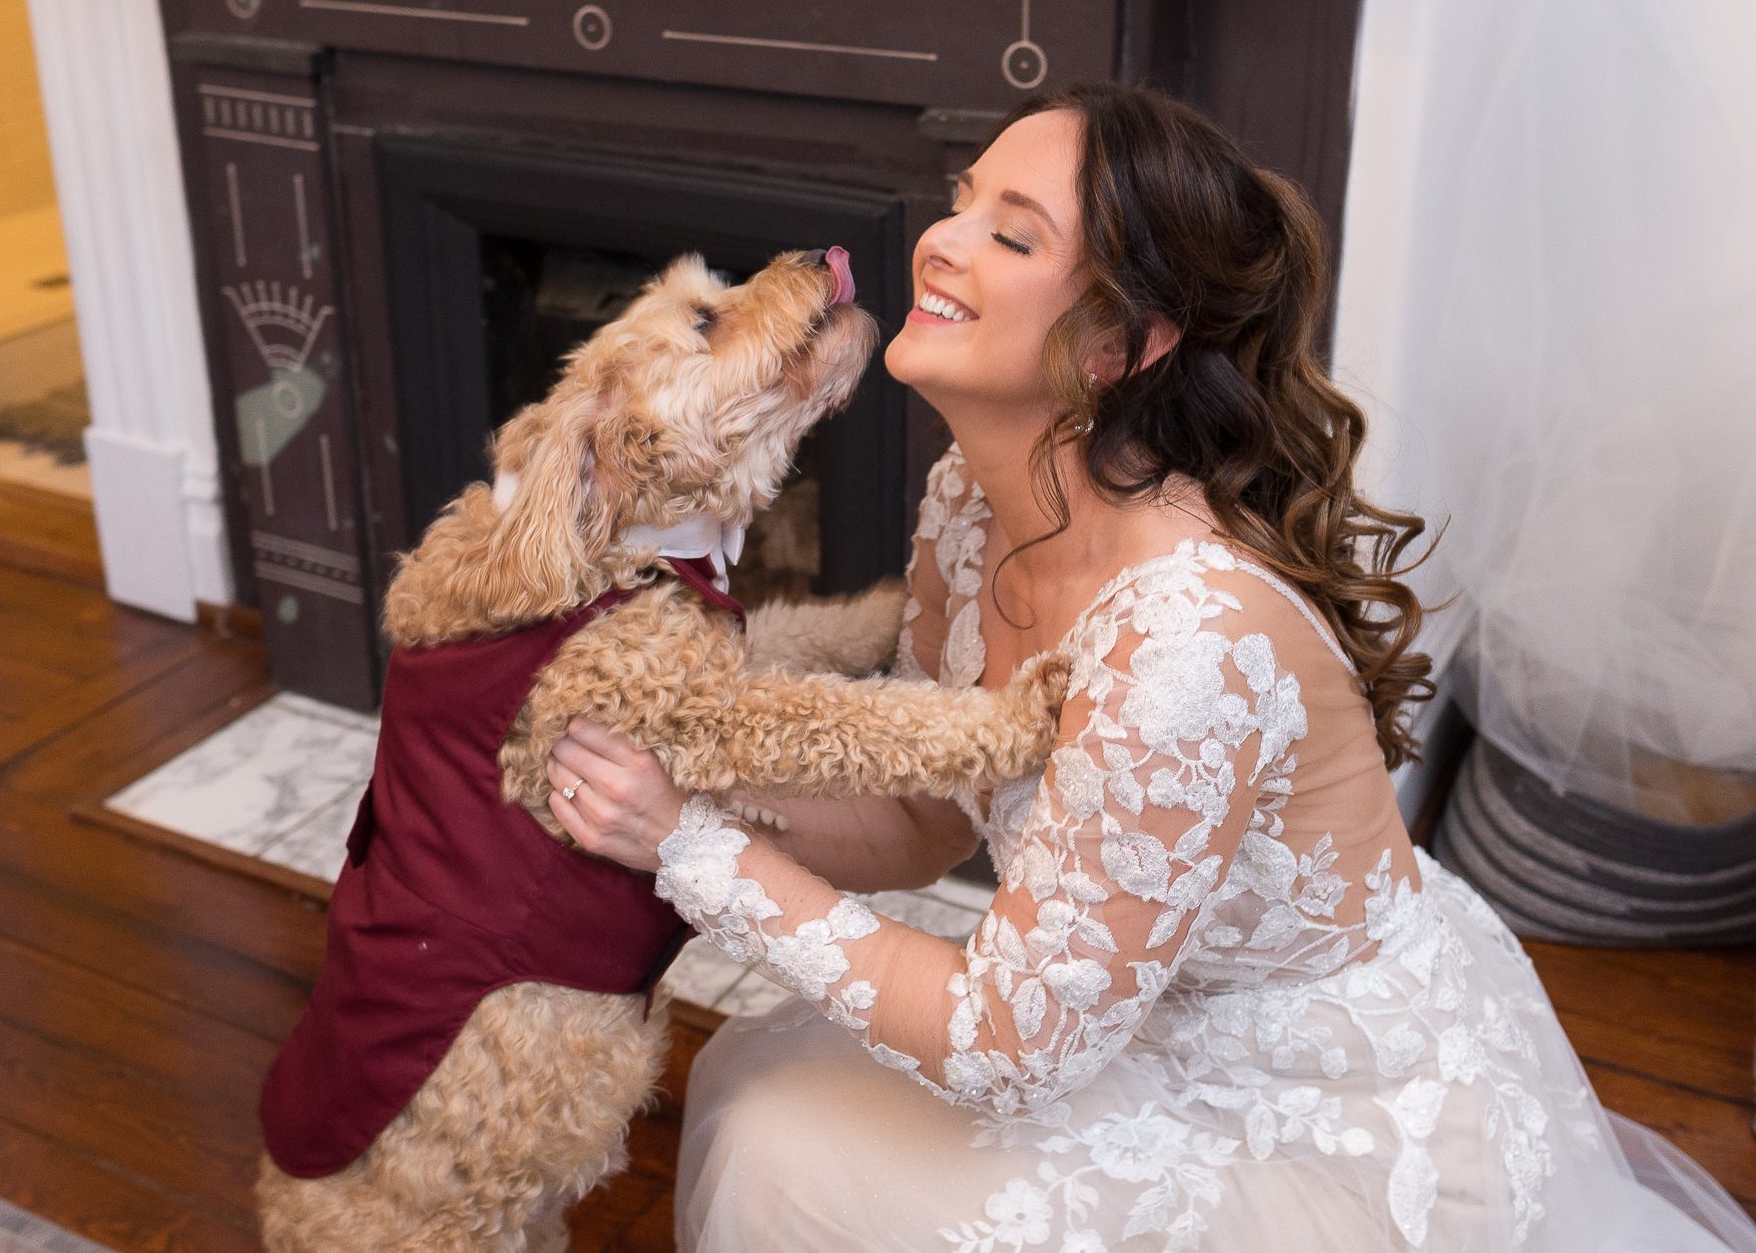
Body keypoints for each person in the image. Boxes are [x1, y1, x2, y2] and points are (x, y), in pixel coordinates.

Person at [542, 83, 1756, 1252]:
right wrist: (680, 790)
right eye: (961, 202)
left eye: (1010, 234)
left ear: (1122, 344)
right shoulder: (970, 501)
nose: (940, 242)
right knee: (769, 1101)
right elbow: (922, 816)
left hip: (1311, 1116)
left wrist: (693, 852)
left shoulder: (1186, 638)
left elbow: (1009, 1044)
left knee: (786, 1145)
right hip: (1119, 1011)